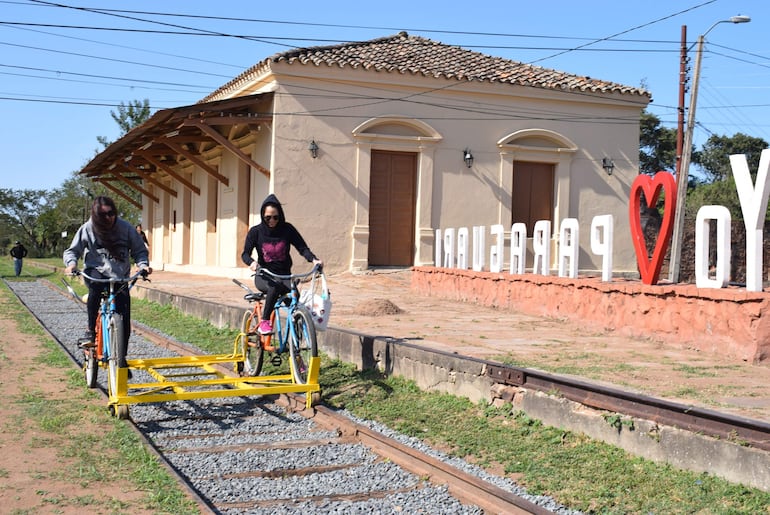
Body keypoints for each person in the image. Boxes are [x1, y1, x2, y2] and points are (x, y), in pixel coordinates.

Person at [63, 196, 152, 372]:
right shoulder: (88, 228)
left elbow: (140, 251)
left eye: (111, 213)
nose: (108, 218)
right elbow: (72, 251)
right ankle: (90, 331)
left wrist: (143, 266)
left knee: (124, 318)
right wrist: (71, 264)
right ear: (95, 215)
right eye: (103, 215)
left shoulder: (126, 228)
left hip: (119, 276)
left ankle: (121, 359)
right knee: (95, 290)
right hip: (96, 272)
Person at [241, 194, 322, 335]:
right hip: (264, 276)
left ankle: (296, 340)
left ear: (280, 215)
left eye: (275, 217)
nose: (272, 220)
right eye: (268, 217)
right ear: (262, 216)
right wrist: (252, 263)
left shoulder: (287, 229)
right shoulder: (256, 232)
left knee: (295, 301)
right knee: (274, 287)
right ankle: (264, 321)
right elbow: (245, 254)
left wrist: (314, 260)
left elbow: (302, 248)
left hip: (285, 275)